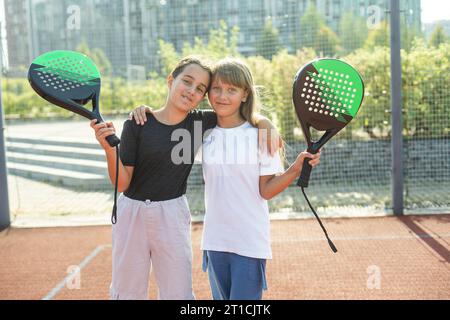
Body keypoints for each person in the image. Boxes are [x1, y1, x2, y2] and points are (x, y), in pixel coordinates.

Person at [130, 57, 321, 300]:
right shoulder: (201, 132)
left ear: (245, 94)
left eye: (232, 90)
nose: (222, 96)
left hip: (249, 242)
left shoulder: (261, 135)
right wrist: (145, 111)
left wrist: (294, 169)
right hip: (215, 241)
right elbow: (169, 121)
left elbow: (266, 191)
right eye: (216, 89)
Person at [92, 56, 281, 300]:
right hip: (132, 214)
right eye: (187, 82)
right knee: (127, 292)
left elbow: (241, 115)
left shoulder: (202, 123)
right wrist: (109, 149)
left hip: (172, 212)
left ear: (204, 97)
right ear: (171, 80)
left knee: (178, 294)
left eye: (200, 88)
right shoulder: (138, 122)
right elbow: (122, 183)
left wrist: (266, 122)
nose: (192, 91)